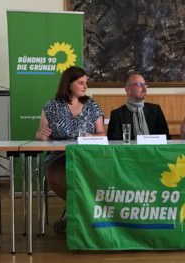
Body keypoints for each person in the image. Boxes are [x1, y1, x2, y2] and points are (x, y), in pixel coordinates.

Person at [36, 66, 106, 233]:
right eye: (80, 83)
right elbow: (41, 133)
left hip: (88, 156)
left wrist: (91, 136)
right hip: (60, 156)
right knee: (54, 172)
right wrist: (42, 135)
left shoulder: (91, 105)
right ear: (68, 85)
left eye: (86, 83)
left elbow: (102, 134)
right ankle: (79, 211)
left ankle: (72, 213)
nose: (85, 87)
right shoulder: (52, 106)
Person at [107, 73, 170, 140]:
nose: (144, 88)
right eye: (139, 85)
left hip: (153, 150)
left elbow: (166, 138)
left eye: (145, 85)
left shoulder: (156, 110)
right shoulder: (117, 114)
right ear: (128, 90)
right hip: (129, 150)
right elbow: (114, 143)